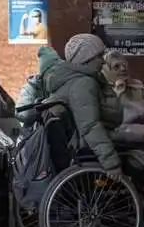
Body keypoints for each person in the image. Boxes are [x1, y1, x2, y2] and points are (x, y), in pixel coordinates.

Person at [34, 34, 123, 177]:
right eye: (99, 56)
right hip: (88, 147)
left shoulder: (78, 81)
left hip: (88, 143)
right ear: (86, 59)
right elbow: (90, 126)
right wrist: (112, 164)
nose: (103, 62)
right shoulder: (83, 84)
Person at [101, 50, 144, 144]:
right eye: (116, 67)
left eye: (124, 65)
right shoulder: (102, 91)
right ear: (106, 71)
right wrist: (143, 131)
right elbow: (112, 127)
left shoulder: (137, 86)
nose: (123, 69)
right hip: (120, 145)